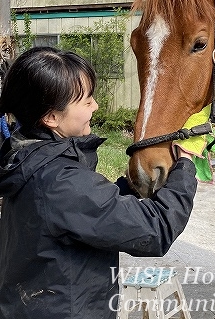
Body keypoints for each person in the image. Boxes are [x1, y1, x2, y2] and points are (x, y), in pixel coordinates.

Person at [0, 47, 197, 319]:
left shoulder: (27, 160)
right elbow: (155, 229)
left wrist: (129, 186)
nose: (96, 106)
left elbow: (84, 212)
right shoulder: (60, 182)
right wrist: (186, 164)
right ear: (51, 117)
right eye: (87, 100)